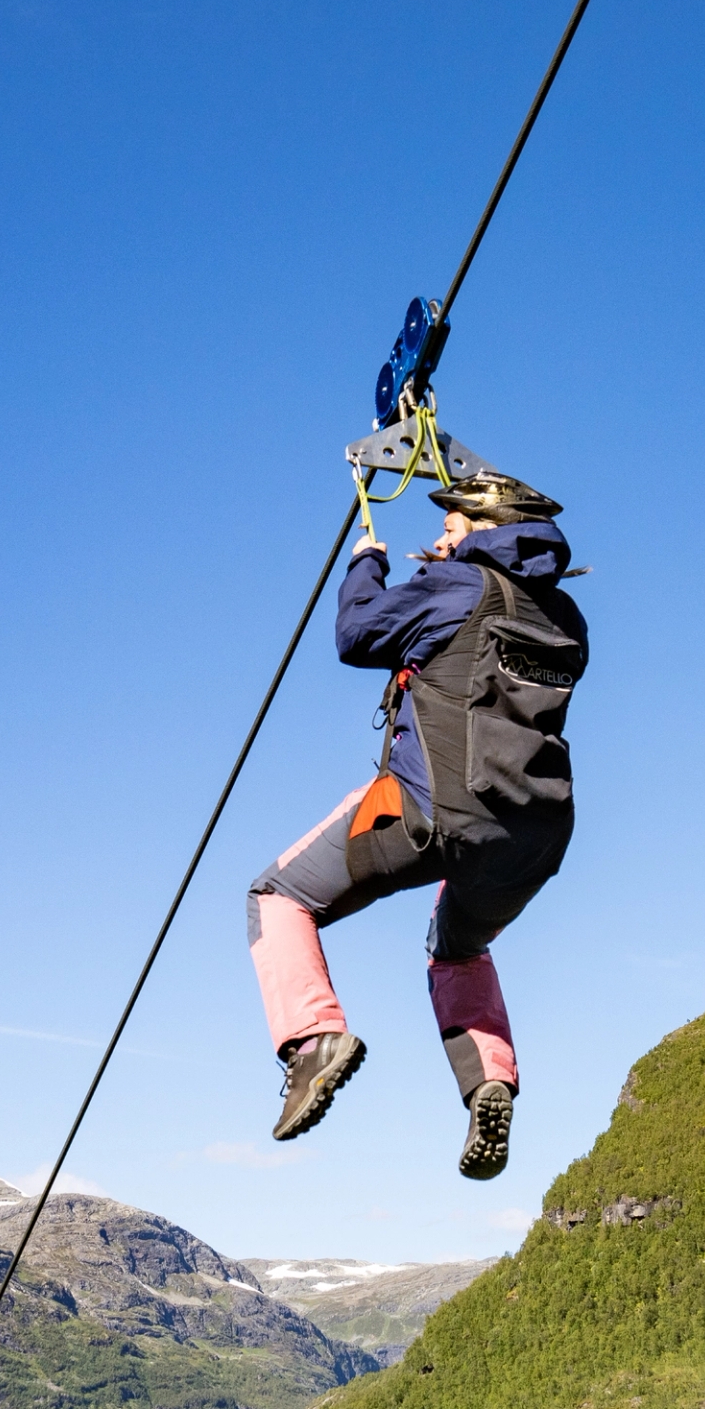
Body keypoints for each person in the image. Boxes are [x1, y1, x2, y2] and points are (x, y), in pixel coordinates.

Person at [247, 463, 586, 1179]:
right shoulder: (566, 617)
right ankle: (487, 1081)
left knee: (277, 897)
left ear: (487, 528)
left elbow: (357, 635)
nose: (438, 535)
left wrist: (367, 563)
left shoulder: (456, 586)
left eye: (452, 524)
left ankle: (313, 1043)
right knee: (458, 950)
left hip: (431, 809)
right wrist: (457, 564)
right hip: (532, 836)